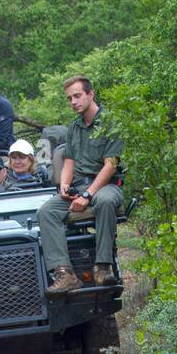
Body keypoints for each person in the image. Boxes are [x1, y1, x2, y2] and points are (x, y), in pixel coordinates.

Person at [37, 77, 124, 294]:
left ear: (90, 94)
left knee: (104, 201)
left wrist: (87, 194)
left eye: (77, 96)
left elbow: (111, 165)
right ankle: (64, 273)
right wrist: (64, 186)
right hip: (78, 186)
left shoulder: (111, 123)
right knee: (46, 211)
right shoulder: (74, 127)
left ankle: (103, 267)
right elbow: (69, 161)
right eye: (69, 98)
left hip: (106, 185)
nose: (73, 102)